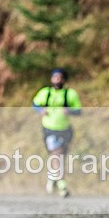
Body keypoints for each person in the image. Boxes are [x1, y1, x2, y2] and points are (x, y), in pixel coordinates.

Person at [32, 68, 82, 197]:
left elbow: (79, 110)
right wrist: (40, 111)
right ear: (51, 79)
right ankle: (62, 184)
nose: (57, 80)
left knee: (61, 156)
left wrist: (69, 111)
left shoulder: (70, 94)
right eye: (55, 77)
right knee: (56, 154)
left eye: (60, 77)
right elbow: (35, 104)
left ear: (64, 79)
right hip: (49, 128)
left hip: (65, 129)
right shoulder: (45, 93)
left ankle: (52, 177)